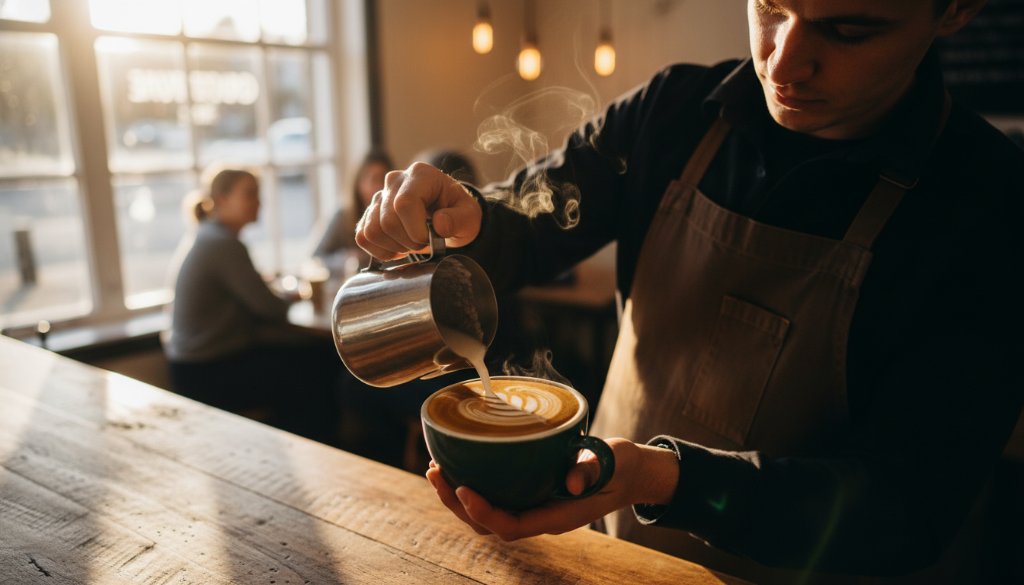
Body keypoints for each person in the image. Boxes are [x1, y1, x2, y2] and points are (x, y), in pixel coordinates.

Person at [353, 0, 1024, 582]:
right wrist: (469, 216)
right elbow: (534, 220)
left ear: (957, 9)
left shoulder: (989, 208)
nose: (784, 64)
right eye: (770, 7)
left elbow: (905, 510)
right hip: (618, 561)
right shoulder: (671, 114)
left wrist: (662, 479)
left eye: (848, 31)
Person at [164, 167, 339, 444]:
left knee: (308, 358)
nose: (259, 202)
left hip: (192, 364)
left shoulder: (208, 236)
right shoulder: (224, 245)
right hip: (207, 372)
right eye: (250, 194)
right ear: (221, 199)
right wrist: (293, 295)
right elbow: (272, 310)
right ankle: (318, 448)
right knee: (318, 363)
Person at [312, 150, 393, 262]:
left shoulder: (395, 218)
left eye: (382, 179)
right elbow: (316, 258)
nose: (377, 186)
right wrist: (347, 259)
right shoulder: (343, 217)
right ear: (358, 182)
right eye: (372, 179)